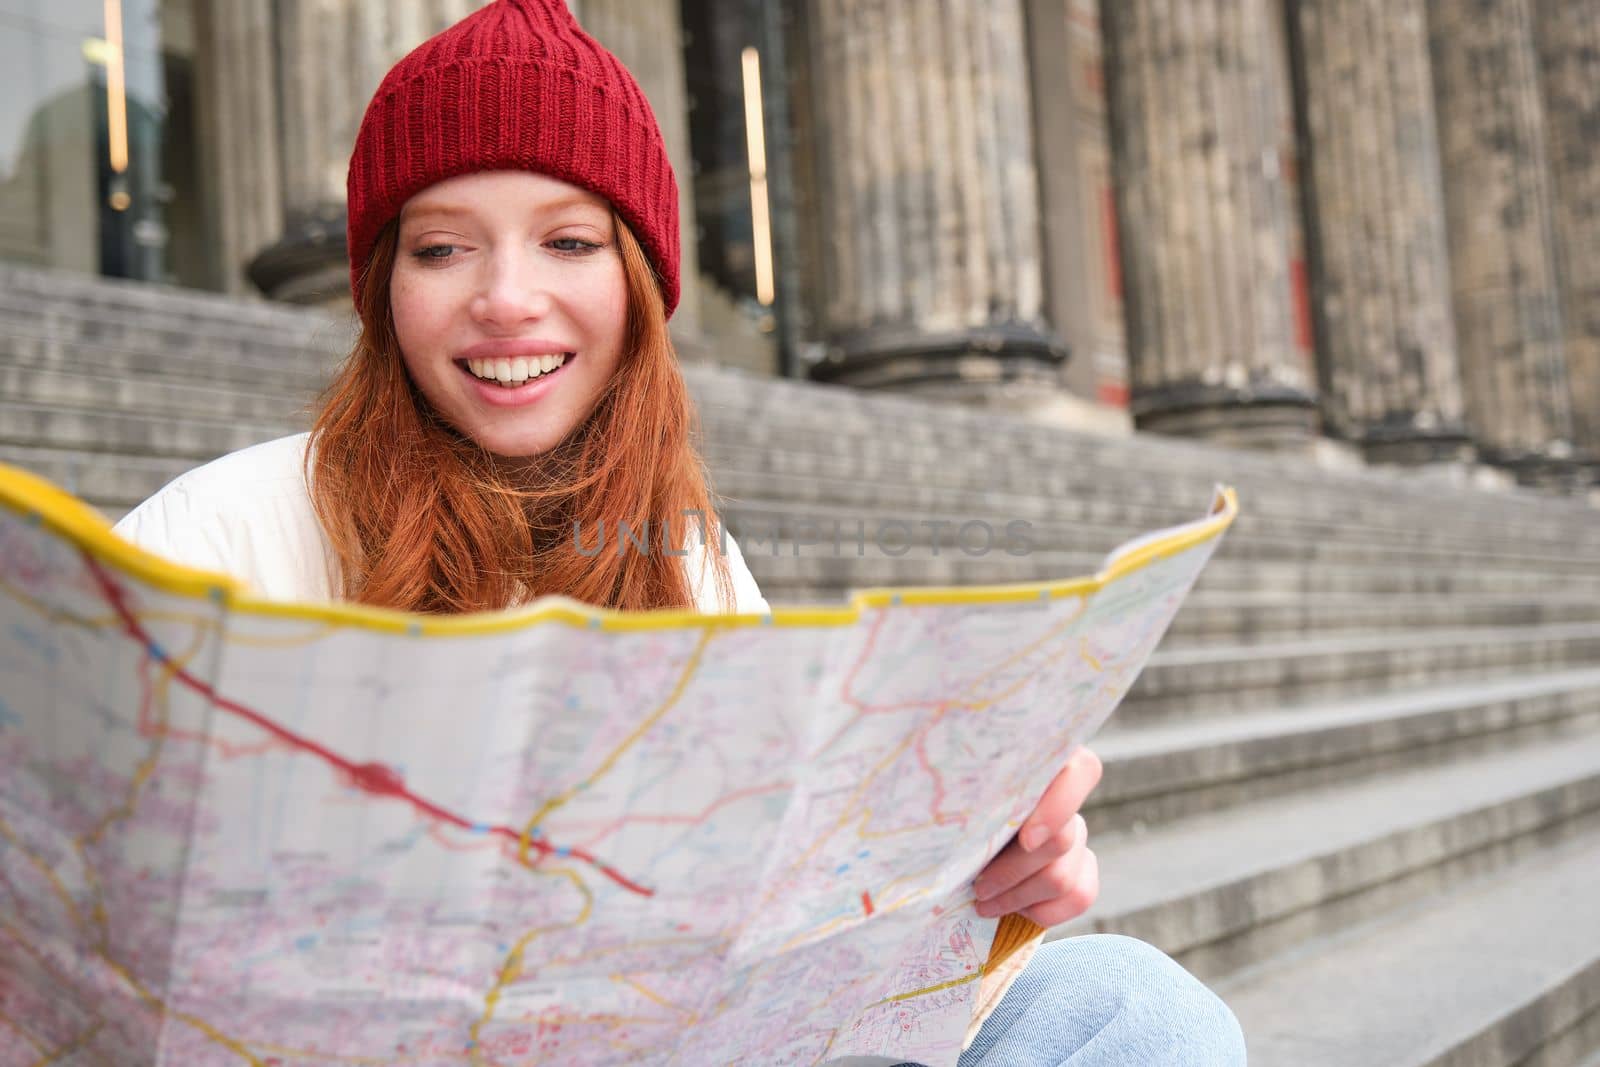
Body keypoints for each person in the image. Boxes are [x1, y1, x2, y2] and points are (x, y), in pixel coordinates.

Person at [111, 1, 1246, 1063]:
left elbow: (774, 928)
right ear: (381, 288)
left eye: (567, 242)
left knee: (1134, 1011)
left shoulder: (685, 553)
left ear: (642, 285)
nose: (506, 298)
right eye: (442, 246)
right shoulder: (210, 536)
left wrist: (974, 875)